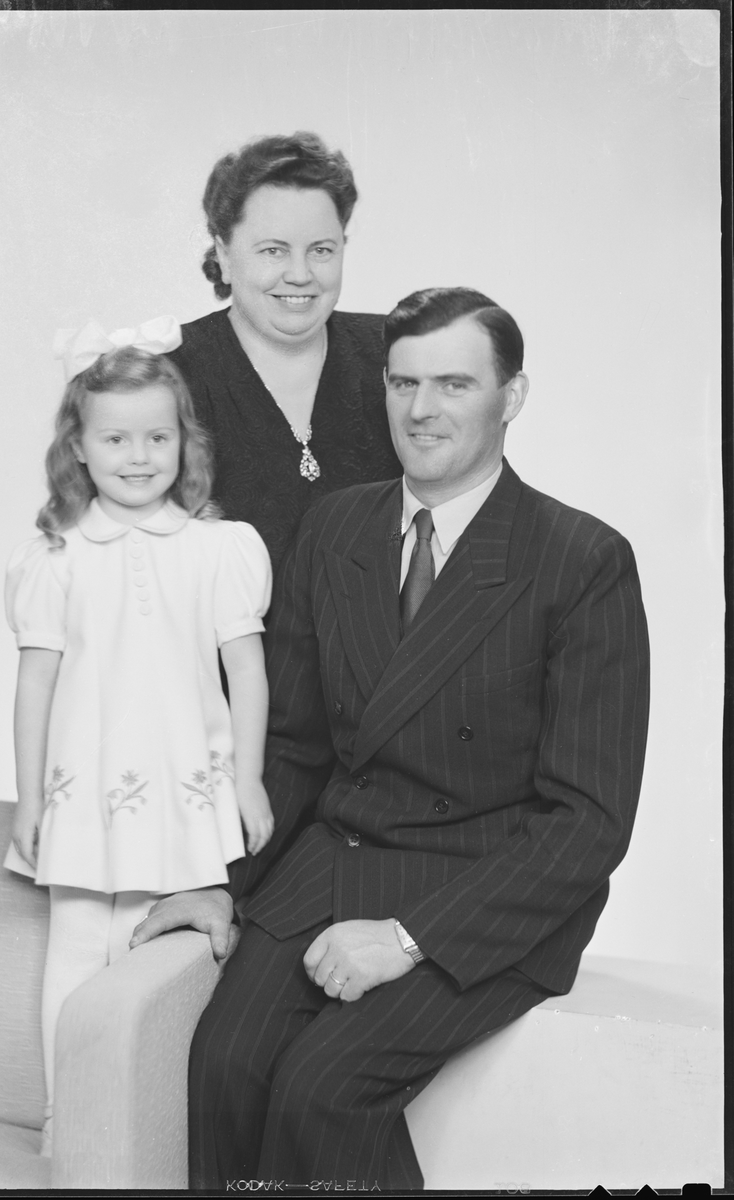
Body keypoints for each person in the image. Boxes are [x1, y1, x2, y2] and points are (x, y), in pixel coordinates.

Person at [131, 288, 651, 1190]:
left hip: (485, 894)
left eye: (454, 384)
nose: (420, 410)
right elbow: (292, 746)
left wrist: (407, 940)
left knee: (320, 1089)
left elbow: (586, 822)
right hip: (336, 864)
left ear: (511, 396)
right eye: (402, 382)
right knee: (223, 1066)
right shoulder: (336, 525)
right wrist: (220, 880)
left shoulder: (580, 558)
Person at [3, 316, 273, 1156]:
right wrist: (28, 797)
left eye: (157, 436)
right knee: (79, 944)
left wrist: (248, 780)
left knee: (148, 954)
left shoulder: (217, 549)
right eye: (115, 438)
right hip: (87, 786)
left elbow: (247, 671)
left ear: (184, 442)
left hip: (182, 784)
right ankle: (65, 1117)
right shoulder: (55, 557)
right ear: (78, 448)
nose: (137, 455)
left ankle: (121, 1129)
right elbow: (36, 683)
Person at [170, 131, 402, 575]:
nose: (300, 274)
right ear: (224, 254)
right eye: (273, 250)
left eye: (321, 250)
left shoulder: (396, 352)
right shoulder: (166, 375)